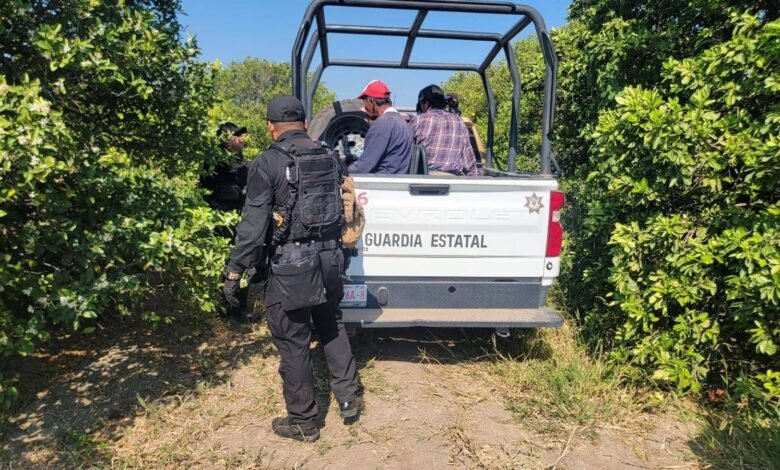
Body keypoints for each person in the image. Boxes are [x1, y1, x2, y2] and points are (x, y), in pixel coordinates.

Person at [222, 95, 362, 442]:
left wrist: (235, 270)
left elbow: (253, 227)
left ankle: (303, 421)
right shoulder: (331, 156)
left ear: (271, 126)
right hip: (331, 259)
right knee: (331, 323)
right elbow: (347, 206)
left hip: (291, 266)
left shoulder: (267, 161)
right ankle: (349, 398)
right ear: (305, 123)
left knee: (293, 339)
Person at [409, 85, 478, 176]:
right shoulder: (459, 122)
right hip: (452, 179)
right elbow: (469, 161)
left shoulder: (418, 120)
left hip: (424, 178)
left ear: (426, 103)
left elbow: (406, 152)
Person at [348, 80, 412, 174]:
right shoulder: (403, 123)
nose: (364, 107)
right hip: (398, 179)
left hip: (382, 180)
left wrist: (344, 171)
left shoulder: (382, 123)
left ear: (371, 101)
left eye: (364, 101)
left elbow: (365, 165)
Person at [201, 122, 249, 212]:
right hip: (219, 210)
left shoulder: (238, 156)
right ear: (227, 140)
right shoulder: (218, 158)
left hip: (235, 209)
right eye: (237, 135)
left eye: (241, 135)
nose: (242, 138)